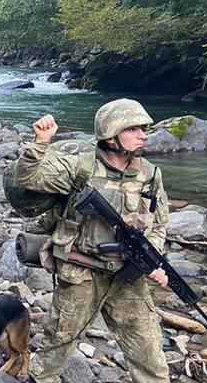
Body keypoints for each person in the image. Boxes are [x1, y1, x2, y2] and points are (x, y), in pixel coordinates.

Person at [15, 98, 170, 383]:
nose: (142, 135)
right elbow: (28, 179)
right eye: (133, 128)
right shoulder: (80, 167)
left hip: (127, 277)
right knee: (57, 345)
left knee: (149, 354)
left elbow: (159, 223)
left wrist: (153, 258)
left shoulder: (150, 174)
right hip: (81, 273)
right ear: (111, 136)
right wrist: (40, 143)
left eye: (143, 128)